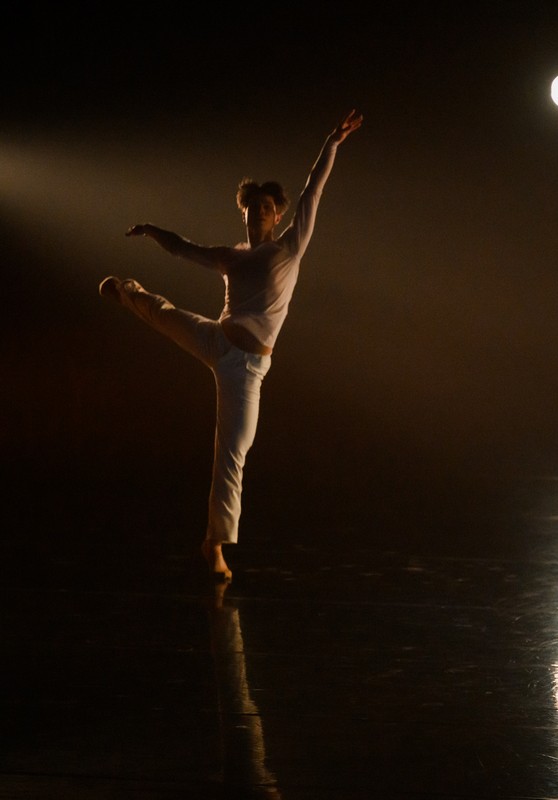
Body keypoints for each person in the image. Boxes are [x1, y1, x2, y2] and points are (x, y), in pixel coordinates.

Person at [99, 109, 364, 582]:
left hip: (246, 369)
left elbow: (313, 191)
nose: (260, 211)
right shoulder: (230, 257)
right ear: (243, 213)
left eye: (267, 207)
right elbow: (184, 248)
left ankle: (213, 543)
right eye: (253, 206)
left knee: (233, 451)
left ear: (277, 215)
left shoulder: (289, 248)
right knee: (166, 316)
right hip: (217, 338)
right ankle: (124, 291)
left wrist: (333, 142)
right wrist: (152, 230)